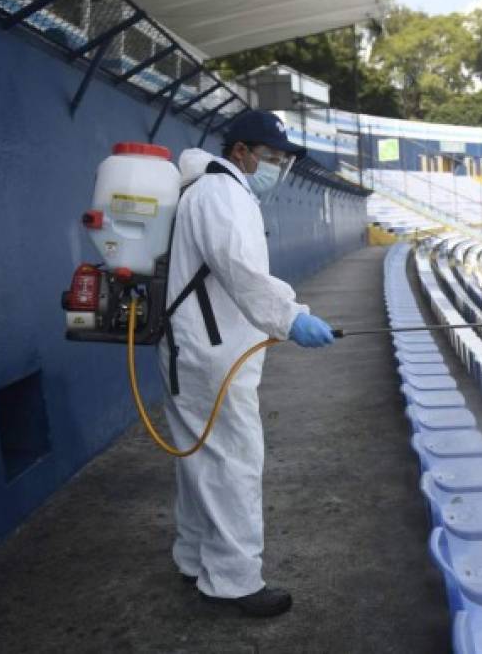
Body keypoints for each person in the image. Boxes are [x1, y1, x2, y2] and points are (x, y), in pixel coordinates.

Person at [158, 110, 335, 617]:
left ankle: (194, 559)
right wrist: (291, 317)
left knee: (201, 460)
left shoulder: (212, 190)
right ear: (241, 152)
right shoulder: (222, 194)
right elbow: (242, 271)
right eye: (272, 157)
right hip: (210, 353)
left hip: (196, 349)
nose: (277, 167)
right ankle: (235, 581)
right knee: (233, 462)